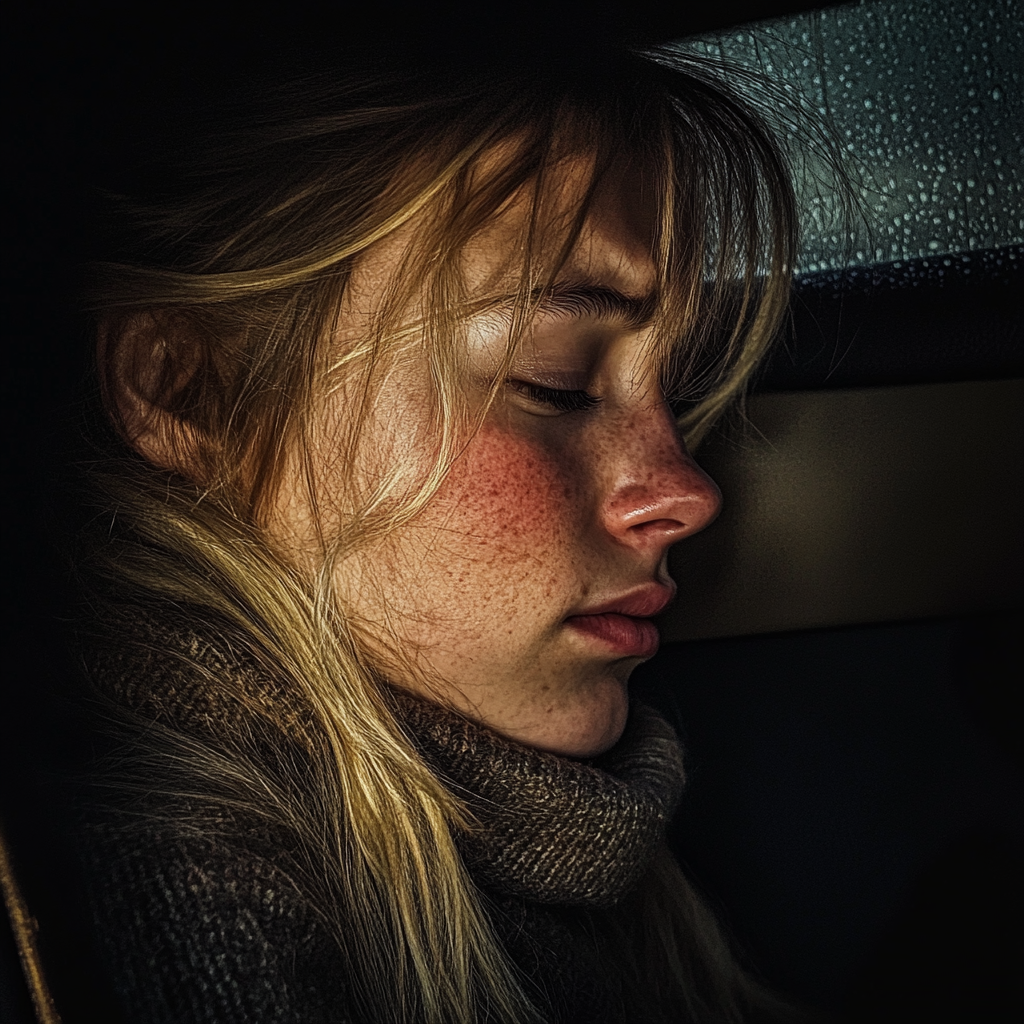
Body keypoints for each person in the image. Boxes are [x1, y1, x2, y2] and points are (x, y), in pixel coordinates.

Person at [70, 35, 800, 1024]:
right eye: (555, 381)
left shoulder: (527, 834)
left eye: (675, 390)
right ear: (185, 389)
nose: (684, 490)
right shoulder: (204, 914)